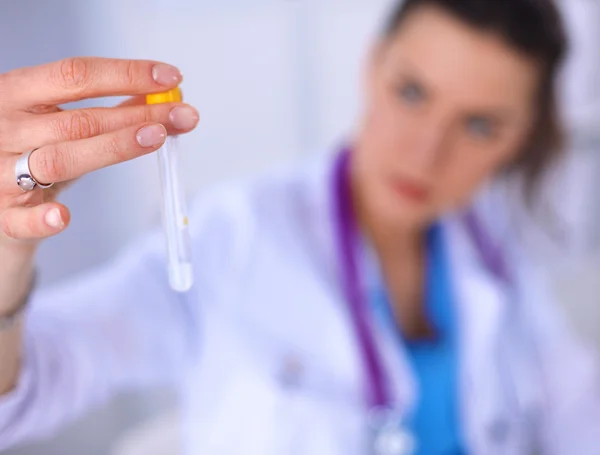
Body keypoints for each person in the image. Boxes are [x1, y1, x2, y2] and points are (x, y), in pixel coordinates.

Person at [0, 0, 599, 454]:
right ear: (372, 66)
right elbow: (27, 393)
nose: (426, 151)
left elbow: (578, 408)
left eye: (479, 126)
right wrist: (7, 257)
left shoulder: (491, 246)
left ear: (521, 138)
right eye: (412, 92)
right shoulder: (232, 238)